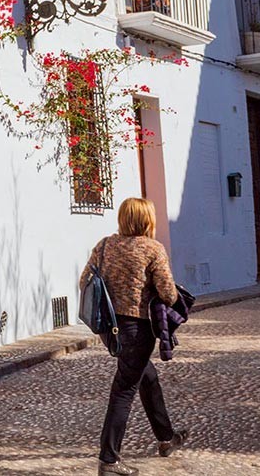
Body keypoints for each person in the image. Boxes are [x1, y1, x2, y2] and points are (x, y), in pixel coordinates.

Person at [81, 198, 188, 475]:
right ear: (147, 221)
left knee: (147, 378)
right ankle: (109, 460)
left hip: (110, 327)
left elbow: (85, 282)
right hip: (137, 329)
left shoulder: (104, 245)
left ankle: (166, 438)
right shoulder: (152, 248)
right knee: (124, 390)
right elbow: (168, 293)